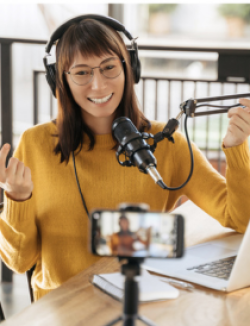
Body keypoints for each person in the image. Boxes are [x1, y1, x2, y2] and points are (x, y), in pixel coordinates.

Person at [0, 14, 250, 301]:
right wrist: (17, 199)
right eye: (82, 72)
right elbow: (19, 262)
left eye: (109, 68)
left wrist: (236, 148)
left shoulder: (168, 145)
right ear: (60, 79)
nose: (98, 85)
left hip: (141, 298)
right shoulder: (36, 144)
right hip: (62, 308)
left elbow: (241, 218)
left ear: (129, 68)